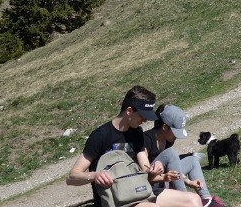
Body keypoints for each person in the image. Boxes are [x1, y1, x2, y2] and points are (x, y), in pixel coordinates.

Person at [66, 85, 203, 207]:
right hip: (117, 199)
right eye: (142, 115)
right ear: (129, 111)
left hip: (140, 190)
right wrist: (95, 175)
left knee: (194, 200)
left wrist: (153, 172)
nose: (145, 120)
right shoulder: (100, 135)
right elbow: (72, 177)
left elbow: (146, 172)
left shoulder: (137, 133)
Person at [144, 104, 225, 207]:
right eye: (175, 133)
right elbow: (144, 174)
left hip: (166, 179)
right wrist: (164, 176)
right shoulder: (146, 139)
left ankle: (207, 200)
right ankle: (184, 198)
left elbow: (173, 167)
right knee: (171, 153)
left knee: (192, 160)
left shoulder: (168, 140)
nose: (177, 137)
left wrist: (188, 181)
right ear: (164, 127)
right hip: (152, 185)